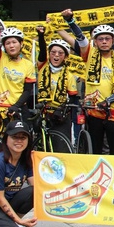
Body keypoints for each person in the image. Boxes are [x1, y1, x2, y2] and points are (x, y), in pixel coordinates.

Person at [74, 20, 114, 155]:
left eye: (107, 39)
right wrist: (70, 21)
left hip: (113, 112)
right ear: (95, 42)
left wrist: (108, 101)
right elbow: (81, 39)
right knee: (95, 149)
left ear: (112, 41)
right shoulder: (89, 56)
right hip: (94, 111)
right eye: (100, 39)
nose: (104, 41)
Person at [0, 17, 37, 130]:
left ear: (21, 44)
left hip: (18, 108)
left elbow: (28, 90)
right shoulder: (0, 58)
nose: (11, 46)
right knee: (0, 143)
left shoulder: (28, 65)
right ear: (4, 46)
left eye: (14, 42)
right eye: (7, 43)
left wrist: (16, 106)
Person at [34, 23, 79, 151]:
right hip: (43, 112)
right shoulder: (42, 67)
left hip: (61, 115)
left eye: (60, 53)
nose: (56, 55)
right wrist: (41, 35)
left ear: (65, 56)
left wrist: (62, 109)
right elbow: (42, 52)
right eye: (53, 52)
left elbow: (72, 97)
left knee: (61, 147)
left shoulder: (69, 75)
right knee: (42, 146)